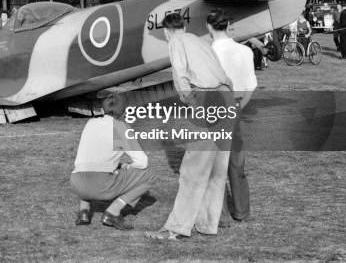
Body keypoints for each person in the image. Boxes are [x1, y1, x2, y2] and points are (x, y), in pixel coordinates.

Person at [145, 13, 233, 241]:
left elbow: (180, 76)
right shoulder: (199, 40)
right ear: (183, 26)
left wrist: (190, 102)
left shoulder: (176, 42)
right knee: (217, 168)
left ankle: (176, 228)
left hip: (206, 98)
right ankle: (207, 223)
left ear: (166, 31)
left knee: (192, 169)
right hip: (225, 95)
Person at [70, 93, 153, 230]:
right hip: (100, 185)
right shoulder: (120, 127)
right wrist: (127, 166)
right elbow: (142, 162)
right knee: (148, 176)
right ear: (124, 111)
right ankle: (113, 212)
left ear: (103, 109)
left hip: (76, 182)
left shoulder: (90, 123)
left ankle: (83, 211)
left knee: (89, 164)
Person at [207, 9, 257, 225]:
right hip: (234, 104)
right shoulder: (245, 51)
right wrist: (238, 107)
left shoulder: (206, 52)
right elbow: (250, 86)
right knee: (236, 162)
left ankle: (218, 213)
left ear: (209, 27)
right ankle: (241, 210)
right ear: (228, 26)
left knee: (212, 163)